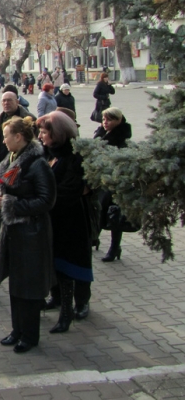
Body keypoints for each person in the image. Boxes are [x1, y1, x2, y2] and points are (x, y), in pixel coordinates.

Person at [0, 116, 56, 354]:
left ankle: (30, 335)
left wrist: (10, 204)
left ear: (18, 137)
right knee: (16, 284)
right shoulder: (11, 158)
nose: (3, 141)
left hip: (32, 234)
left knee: (29, 288)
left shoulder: (37, 163)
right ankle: (17, 329)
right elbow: (2, 189)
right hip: (13, 232)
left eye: (6, 136)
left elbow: (46, 201)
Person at [37, 111, 93, 332]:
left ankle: (77, 305)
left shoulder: (74, 156)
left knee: (73, 264)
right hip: (53, 219)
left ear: (58, 134)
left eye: (44, 132)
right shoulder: (48, 153)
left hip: (72, 220)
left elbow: (72, 189)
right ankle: (58, 298)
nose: (40, 136)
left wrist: (43, 193)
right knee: (56, 263)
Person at [95, 107, 132, 262]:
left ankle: (114, 247)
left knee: (115, 215)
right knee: (100, 211)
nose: (105, 123)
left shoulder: (121, 139)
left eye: (109, 120)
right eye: (104, 119)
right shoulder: (101, 135)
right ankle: (94, 237)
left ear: (119, 121)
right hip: (102, 180)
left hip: (116, 183)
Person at [0, 92, 36, 168]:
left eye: (9, 100)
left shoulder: (28, 119)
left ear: (17, 102)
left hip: (21, 163)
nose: (6, 103)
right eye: (4, 101)